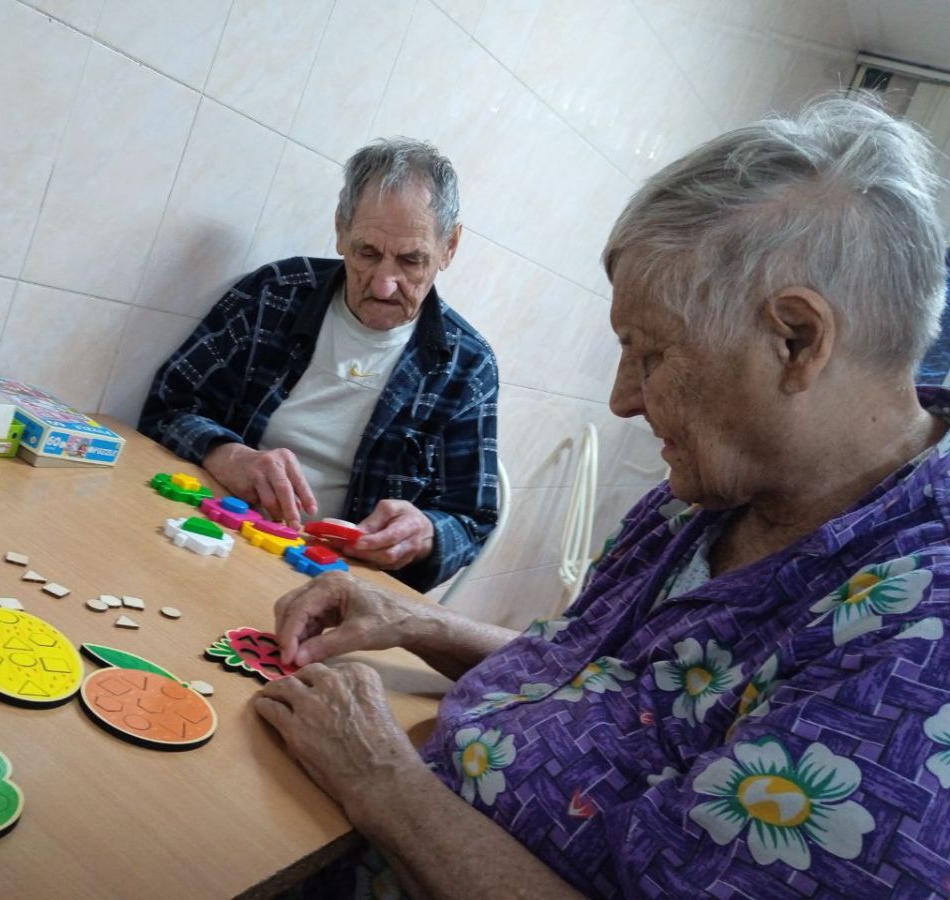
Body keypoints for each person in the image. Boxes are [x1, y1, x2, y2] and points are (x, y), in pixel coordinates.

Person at [252, 97, 950, 897]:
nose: (623, 401)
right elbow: (592, 675)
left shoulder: (919, 650)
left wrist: (383, 780)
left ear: (797, 340)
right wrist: (416, 621)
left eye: (651, 355)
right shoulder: (707, 497)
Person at [139, 139, 499, 592]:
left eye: (411, 260)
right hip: (216, 538)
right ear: (341, 231)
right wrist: (227, 455)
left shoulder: (468, 365)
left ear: (450, 246)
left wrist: (426, 533)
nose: (385, 285)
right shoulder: (275, 293)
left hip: (336, 587)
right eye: (367, 253)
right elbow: (167, 407)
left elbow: (471, 519)